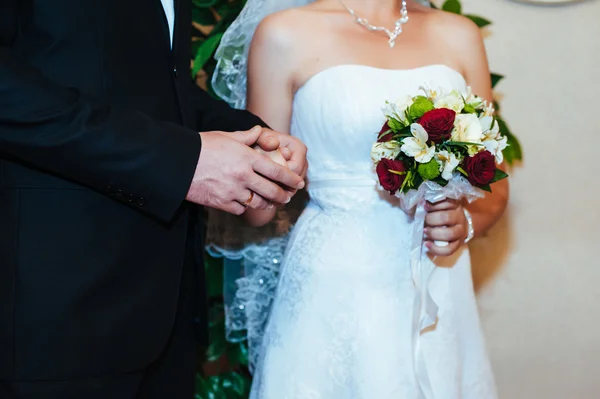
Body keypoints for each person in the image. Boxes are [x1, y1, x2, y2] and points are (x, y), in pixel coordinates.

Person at [0, 1, 307, 398]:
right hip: (55, 308)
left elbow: (150, 89)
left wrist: (250, 138)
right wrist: (182, 161)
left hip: (164, 314)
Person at [209, 0, 509, 397]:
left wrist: (463, 221)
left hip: (439, 276)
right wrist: (272, 175)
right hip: (336, 278)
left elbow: (494, 182)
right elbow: (258, 212)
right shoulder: (282, 33)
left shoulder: (458, 33)